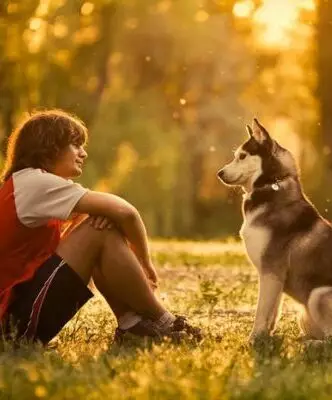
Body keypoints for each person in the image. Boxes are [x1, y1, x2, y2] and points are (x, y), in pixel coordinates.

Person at [0, 109, 201, 345]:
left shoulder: (25, 185)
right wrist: (145, 264)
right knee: (99, 227)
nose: (83, 153)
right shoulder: (34, 182)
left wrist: (94, 218)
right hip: (12, 327)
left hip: (17, 317)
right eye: (75, 145)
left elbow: (108, 216)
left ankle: (132, 324)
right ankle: (164, 321)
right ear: (49, 148)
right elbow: (125, 211)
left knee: (97, 222)